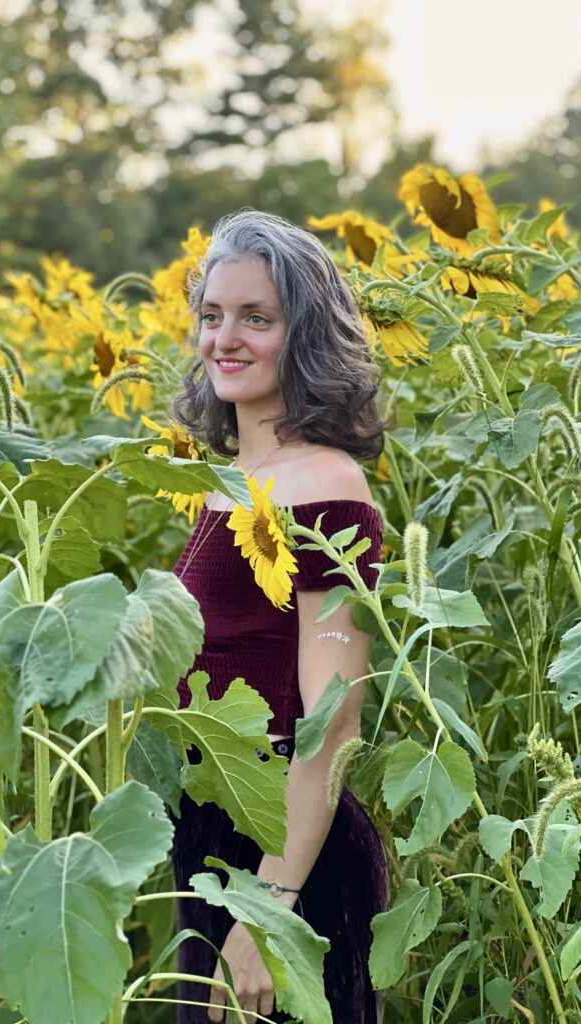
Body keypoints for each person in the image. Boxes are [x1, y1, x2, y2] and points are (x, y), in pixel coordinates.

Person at [168, 209, 390, 1024]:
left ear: (305, 338)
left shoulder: (325, 486)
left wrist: (268, 911)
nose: (225, 338)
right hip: (207, 835)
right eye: (213, 315)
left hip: (280, 857)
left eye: (256, 318)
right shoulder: (225, 481)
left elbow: (332, 726)